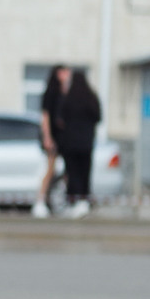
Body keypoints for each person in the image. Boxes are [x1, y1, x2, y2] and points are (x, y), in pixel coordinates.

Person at [50, 64, 105, 217]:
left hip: (70, 144)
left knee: (72, 172)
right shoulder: (91, 98)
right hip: (87, 143)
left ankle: (73, 201)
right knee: (85, 172)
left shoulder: (68, 98)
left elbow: (59, 120)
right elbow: (98, 117)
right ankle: (84, 200)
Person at [34, 65, 69, 219]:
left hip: (64, 137)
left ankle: (62, 200)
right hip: (53, 137)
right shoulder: (51, 92)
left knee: (66, 171)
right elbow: (45, 116)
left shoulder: (66, 92)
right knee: (49, 169)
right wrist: (47, 137)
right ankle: (40, 201)